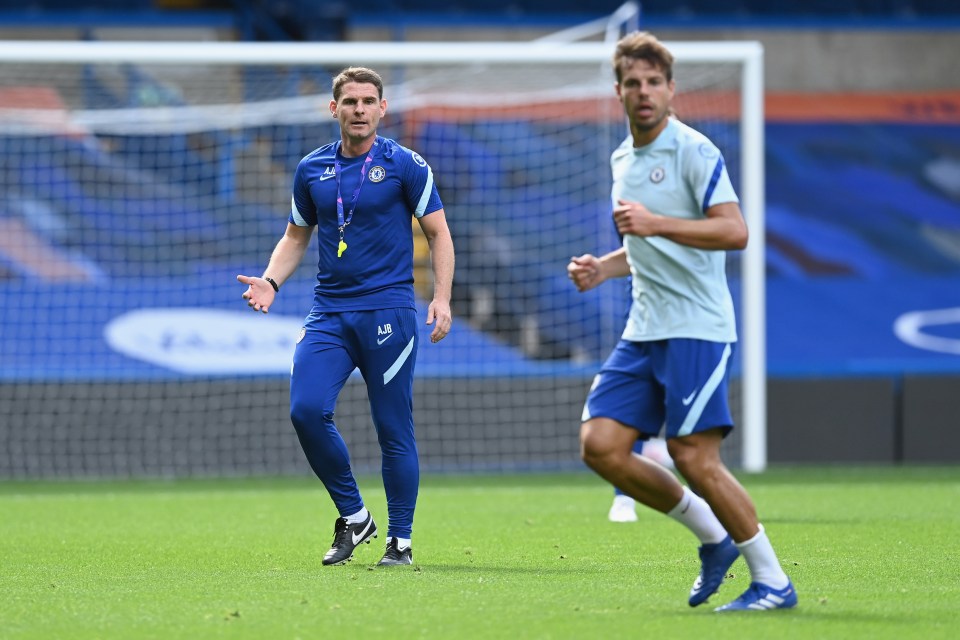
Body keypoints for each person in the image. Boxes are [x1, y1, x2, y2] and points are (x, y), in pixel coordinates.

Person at [568, 31, 797, 611]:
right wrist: (605, 267)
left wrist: (654, 224)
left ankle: (772, 581)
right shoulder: (623, 157)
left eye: (653, 83)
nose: (643, 93)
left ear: (671, 90)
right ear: (618, 91)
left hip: (696, 326)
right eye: (632, 84)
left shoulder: (694, 151)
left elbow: (734, 231)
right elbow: (646, 241)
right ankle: (714, 538)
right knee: (601, 445)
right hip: (644, 326)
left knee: (695, 456)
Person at [237, 66, 454, 567]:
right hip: (329, 313)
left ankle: (399, 540)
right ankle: (355, 517)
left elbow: (439, 233)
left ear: (383, 108)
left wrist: (441, 297)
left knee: (392, 427)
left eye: (368, 101)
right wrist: (270, 282)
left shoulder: (406, 165)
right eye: (350, 101)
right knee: (305, 411)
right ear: (333, 109)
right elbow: (296, 235)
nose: (359, 109)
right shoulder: (311, 169)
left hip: (389, 312)